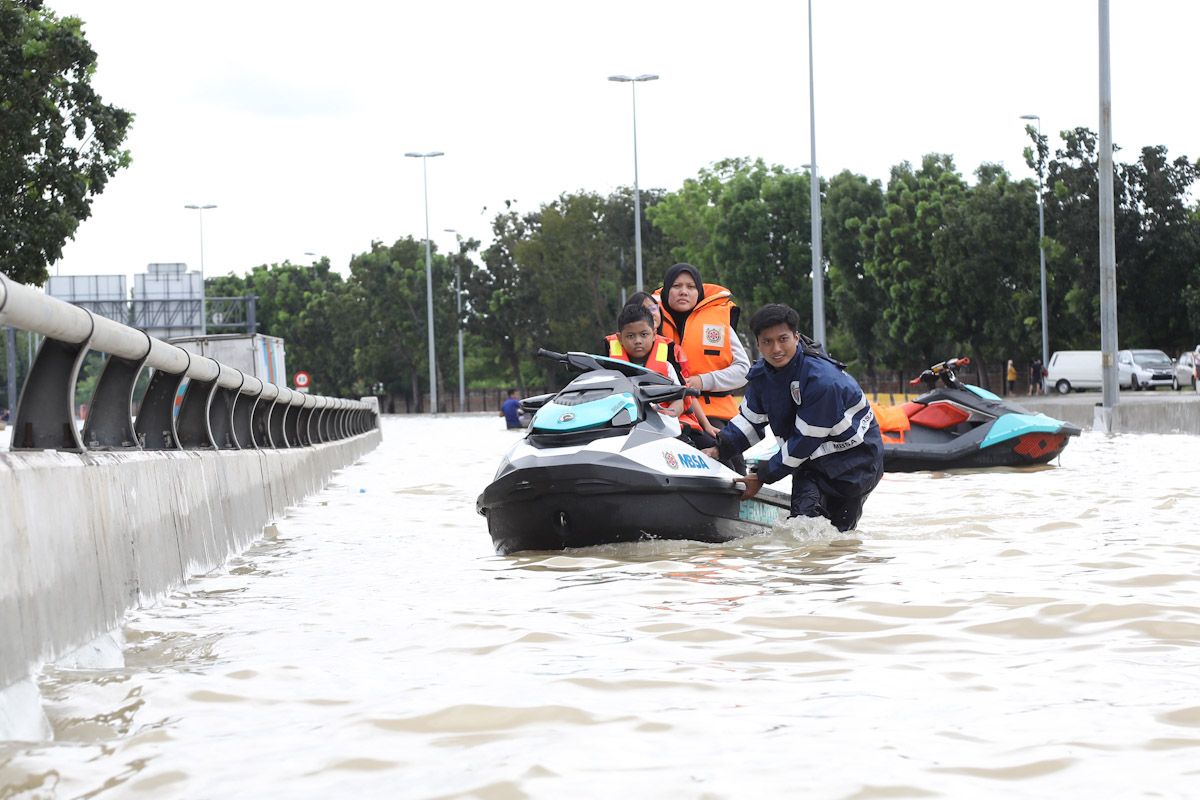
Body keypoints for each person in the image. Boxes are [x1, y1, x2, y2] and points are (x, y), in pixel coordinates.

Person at [706, 303, 884, 532]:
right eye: (767, 342)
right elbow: (750, 421)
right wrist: (719, 449)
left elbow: (804, 441)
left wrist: (762, 476)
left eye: (783, 339)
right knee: (802, 525)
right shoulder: (762, 376)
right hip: (810, 464)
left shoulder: (822, 382)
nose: (776, 349)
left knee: (839, 534)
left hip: (856, 462)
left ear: (796, 337)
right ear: (758, 344)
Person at [604, 303, 717, 448]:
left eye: (644, 334)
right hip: (625, 430)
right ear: (620, 338)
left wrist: (669, 413)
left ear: (654, 334)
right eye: (630, 336)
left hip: (665, 428)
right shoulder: (610, 369)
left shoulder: (667, 367)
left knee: (712, 446)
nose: (638, 341)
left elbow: (679, 401)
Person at [652, 263, 749, 428]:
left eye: (691, 287)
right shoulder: (650, 321)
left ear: (699, 292)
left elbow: (743, 370)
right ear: (666, 290)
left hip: (714, 412)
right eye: (676, 286)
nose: (684, 291)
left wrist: (702, 381)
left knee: (722, 442)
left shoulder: (718, 320)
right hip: (663, 410)